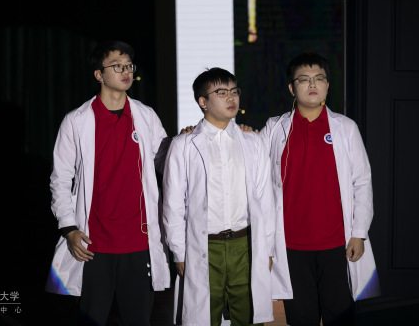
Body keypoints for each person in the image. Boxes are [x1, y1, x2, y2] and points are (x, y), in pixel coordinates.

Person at [45, 40, 171, 326]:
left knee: (138, 320)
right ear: (98, 75)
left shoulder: (145, 116)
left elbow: (167, 162)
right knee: (91, 319)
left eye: (129, 66)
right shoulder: (76, 121)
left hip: (138, 241)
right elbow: (60, 178)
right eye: (117, 66)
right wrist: (69, 229)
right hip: (93, 244)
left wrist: (189, 141)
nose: (126, 71)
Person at [260, 53, 380, 326]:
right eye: (304, 79)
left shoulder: (345, 128)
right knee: (301, 319)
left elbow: (362, 181)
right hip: (290, 244)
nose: (312, 84)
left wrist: (359, 233)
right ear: (292, 88)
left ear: (327, 85)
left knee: (341, 316)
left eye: (319, 78)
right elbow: (252, 165)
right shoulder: (275, 128)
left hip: (337, 243)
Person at [162, 67, 276, 326]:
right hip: (204, 246)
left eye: (234, 91)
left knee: (248, 316)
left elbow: (264, 199)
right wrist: (179, 252)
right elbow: (173, 204)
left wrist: (267, 247)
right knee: (203, 317)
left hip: (245, 245)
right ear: (203, 102)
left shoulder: (253, 142)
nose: (231, 98)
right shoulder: (183, 145)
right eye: (221, 93)